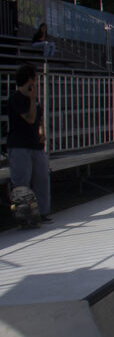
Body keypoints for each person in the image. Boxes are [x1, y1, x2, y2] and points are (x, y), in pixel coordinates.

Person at [7, 64, 52, 222]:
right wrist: (32, 99)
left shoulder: (35, 100)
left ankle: (42, 212)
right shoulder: (16, 98)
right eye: (35, 78)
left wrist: (42, 132)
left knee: (42, 179)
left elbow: (38, 120)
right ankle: (23, 216)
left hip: (35, 145)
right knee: (22, 184)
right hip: (20, 146)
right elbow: (30, 118)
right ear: (29, 80)